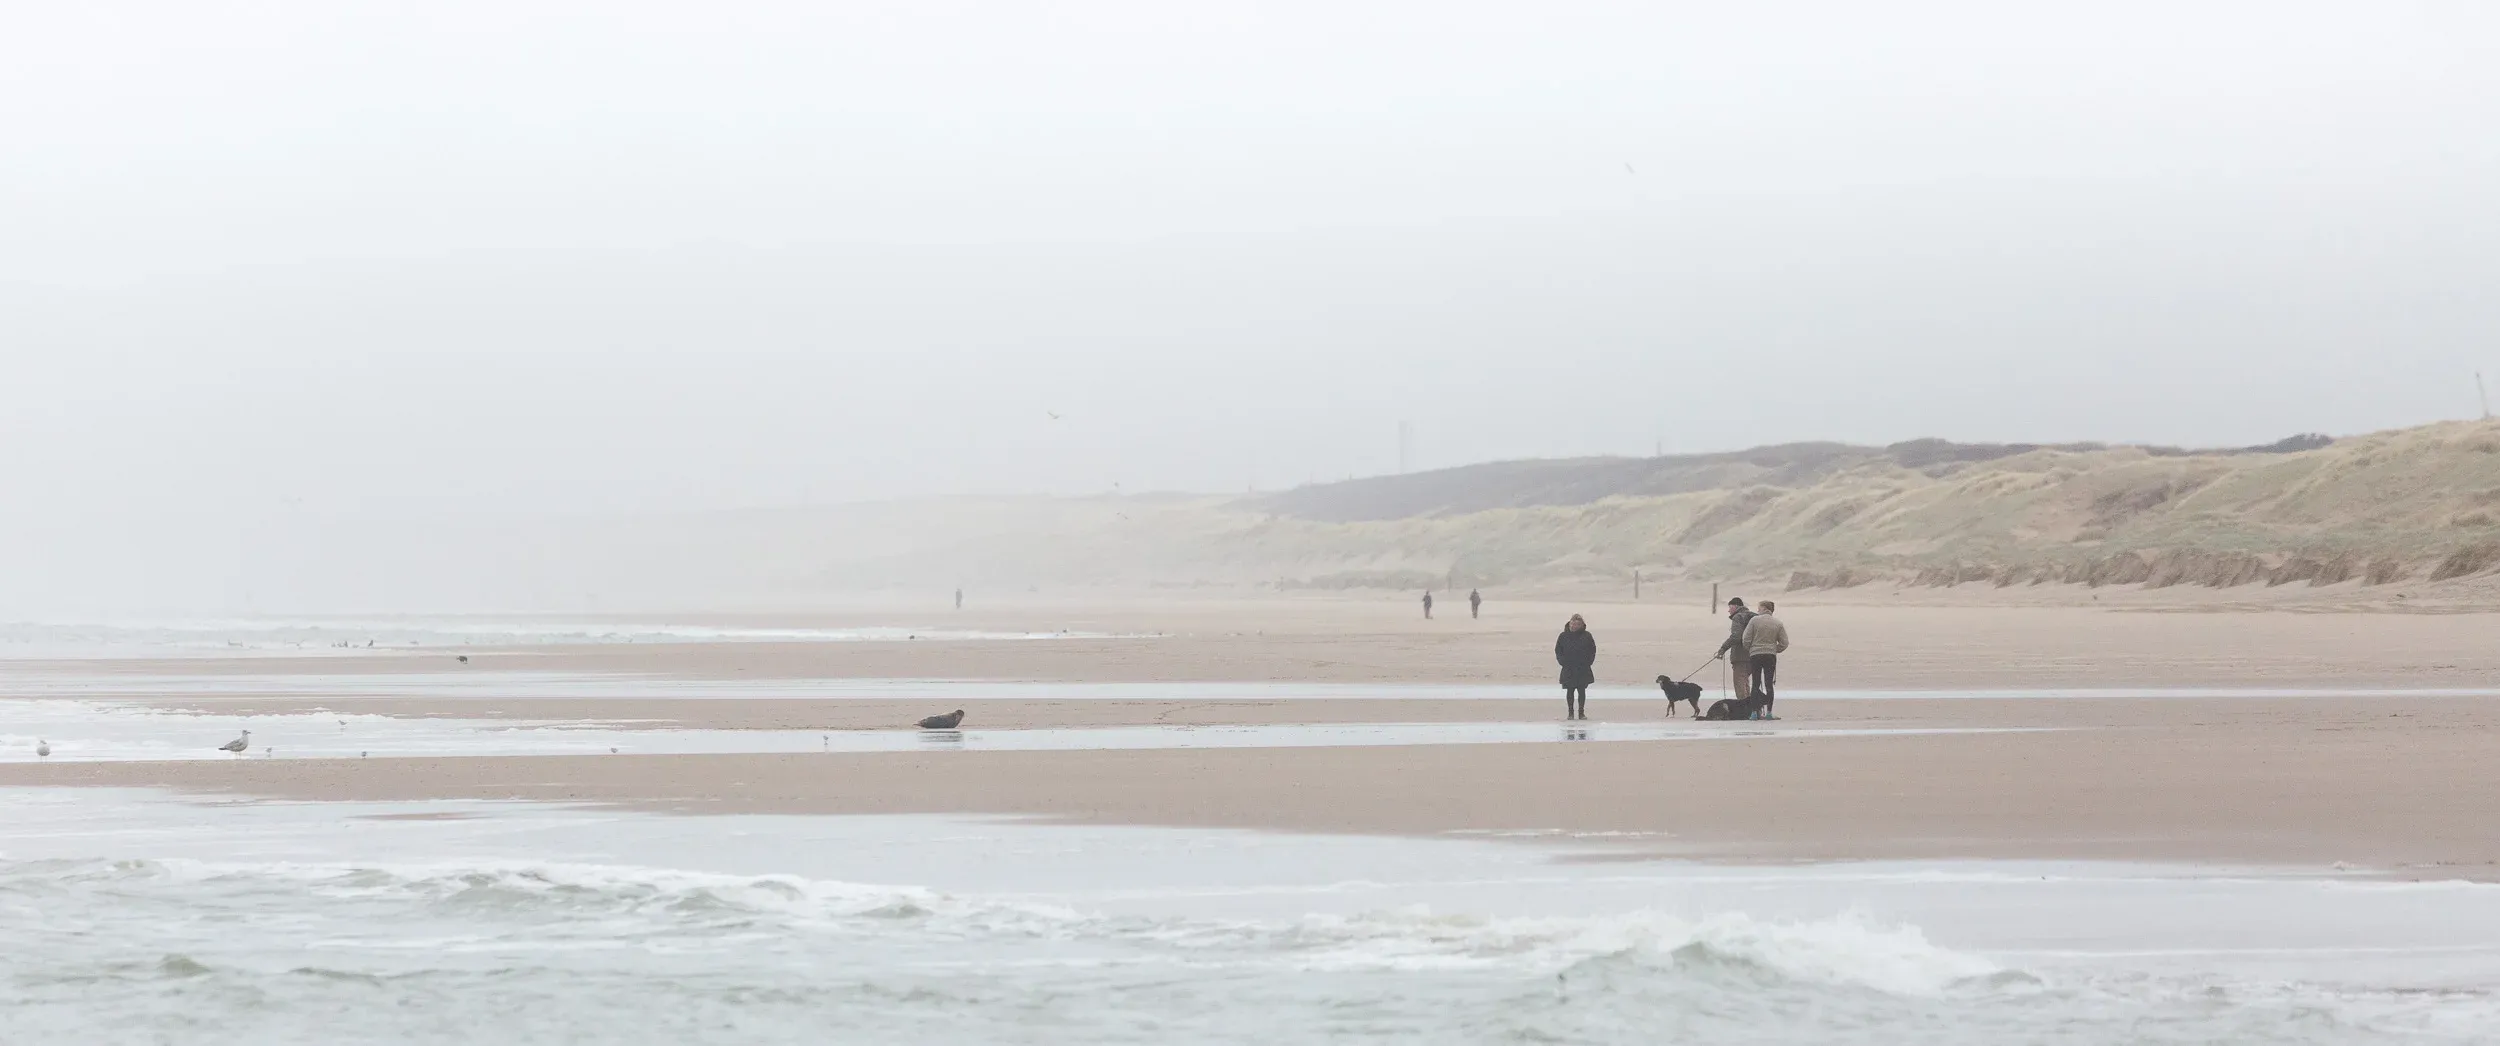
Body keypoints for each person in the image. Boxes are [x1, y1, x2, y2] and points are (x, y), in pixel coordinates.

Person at [1741, 600, 1790, 719]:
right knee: (1769, 684)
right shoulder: (1778, 623)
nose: (1757, 610)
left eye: (1759, 608)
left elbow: (1746, 639)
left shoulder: (1754, 621)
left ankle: (1753, 713)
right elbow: (1784, 643)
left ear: (1764, 608)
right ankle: (1769, 712)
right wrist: (1774, 649)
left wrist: (1751, 649)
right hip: (1770, 656)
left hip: (1755, 655)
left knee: (1756, 684)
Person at [1715, 597, 1756, 705]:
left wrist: (1723, 648)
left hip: (1741, 655)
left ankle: (1744, 708)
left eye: (1730, 607)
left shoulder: (1738, 617)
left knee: (1740, 682)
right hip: (1754, 654)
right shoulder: (1753, 617)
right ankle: (1750, 708)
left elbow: (1736, 636)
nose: (1729, 610)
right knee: (1746, 682)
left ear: (1736, 606)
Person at [1555, 614, 1596, 720]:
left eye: (1577, 624)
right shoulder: (1563, 636)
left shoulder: (1587, 636)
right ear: (1569, 624)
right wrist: (1562, 661)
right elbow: (1558, 650)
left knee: (1581, 691)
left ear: (1581, 625)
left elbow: (1592, 650)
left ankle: (1581, 713)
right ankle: (1570, 713)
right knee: (1570, 691)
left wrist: (1588, 662)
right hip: (1568, 667)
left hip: (1583, 667)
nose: (1574, 626)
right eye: (1573, 624)